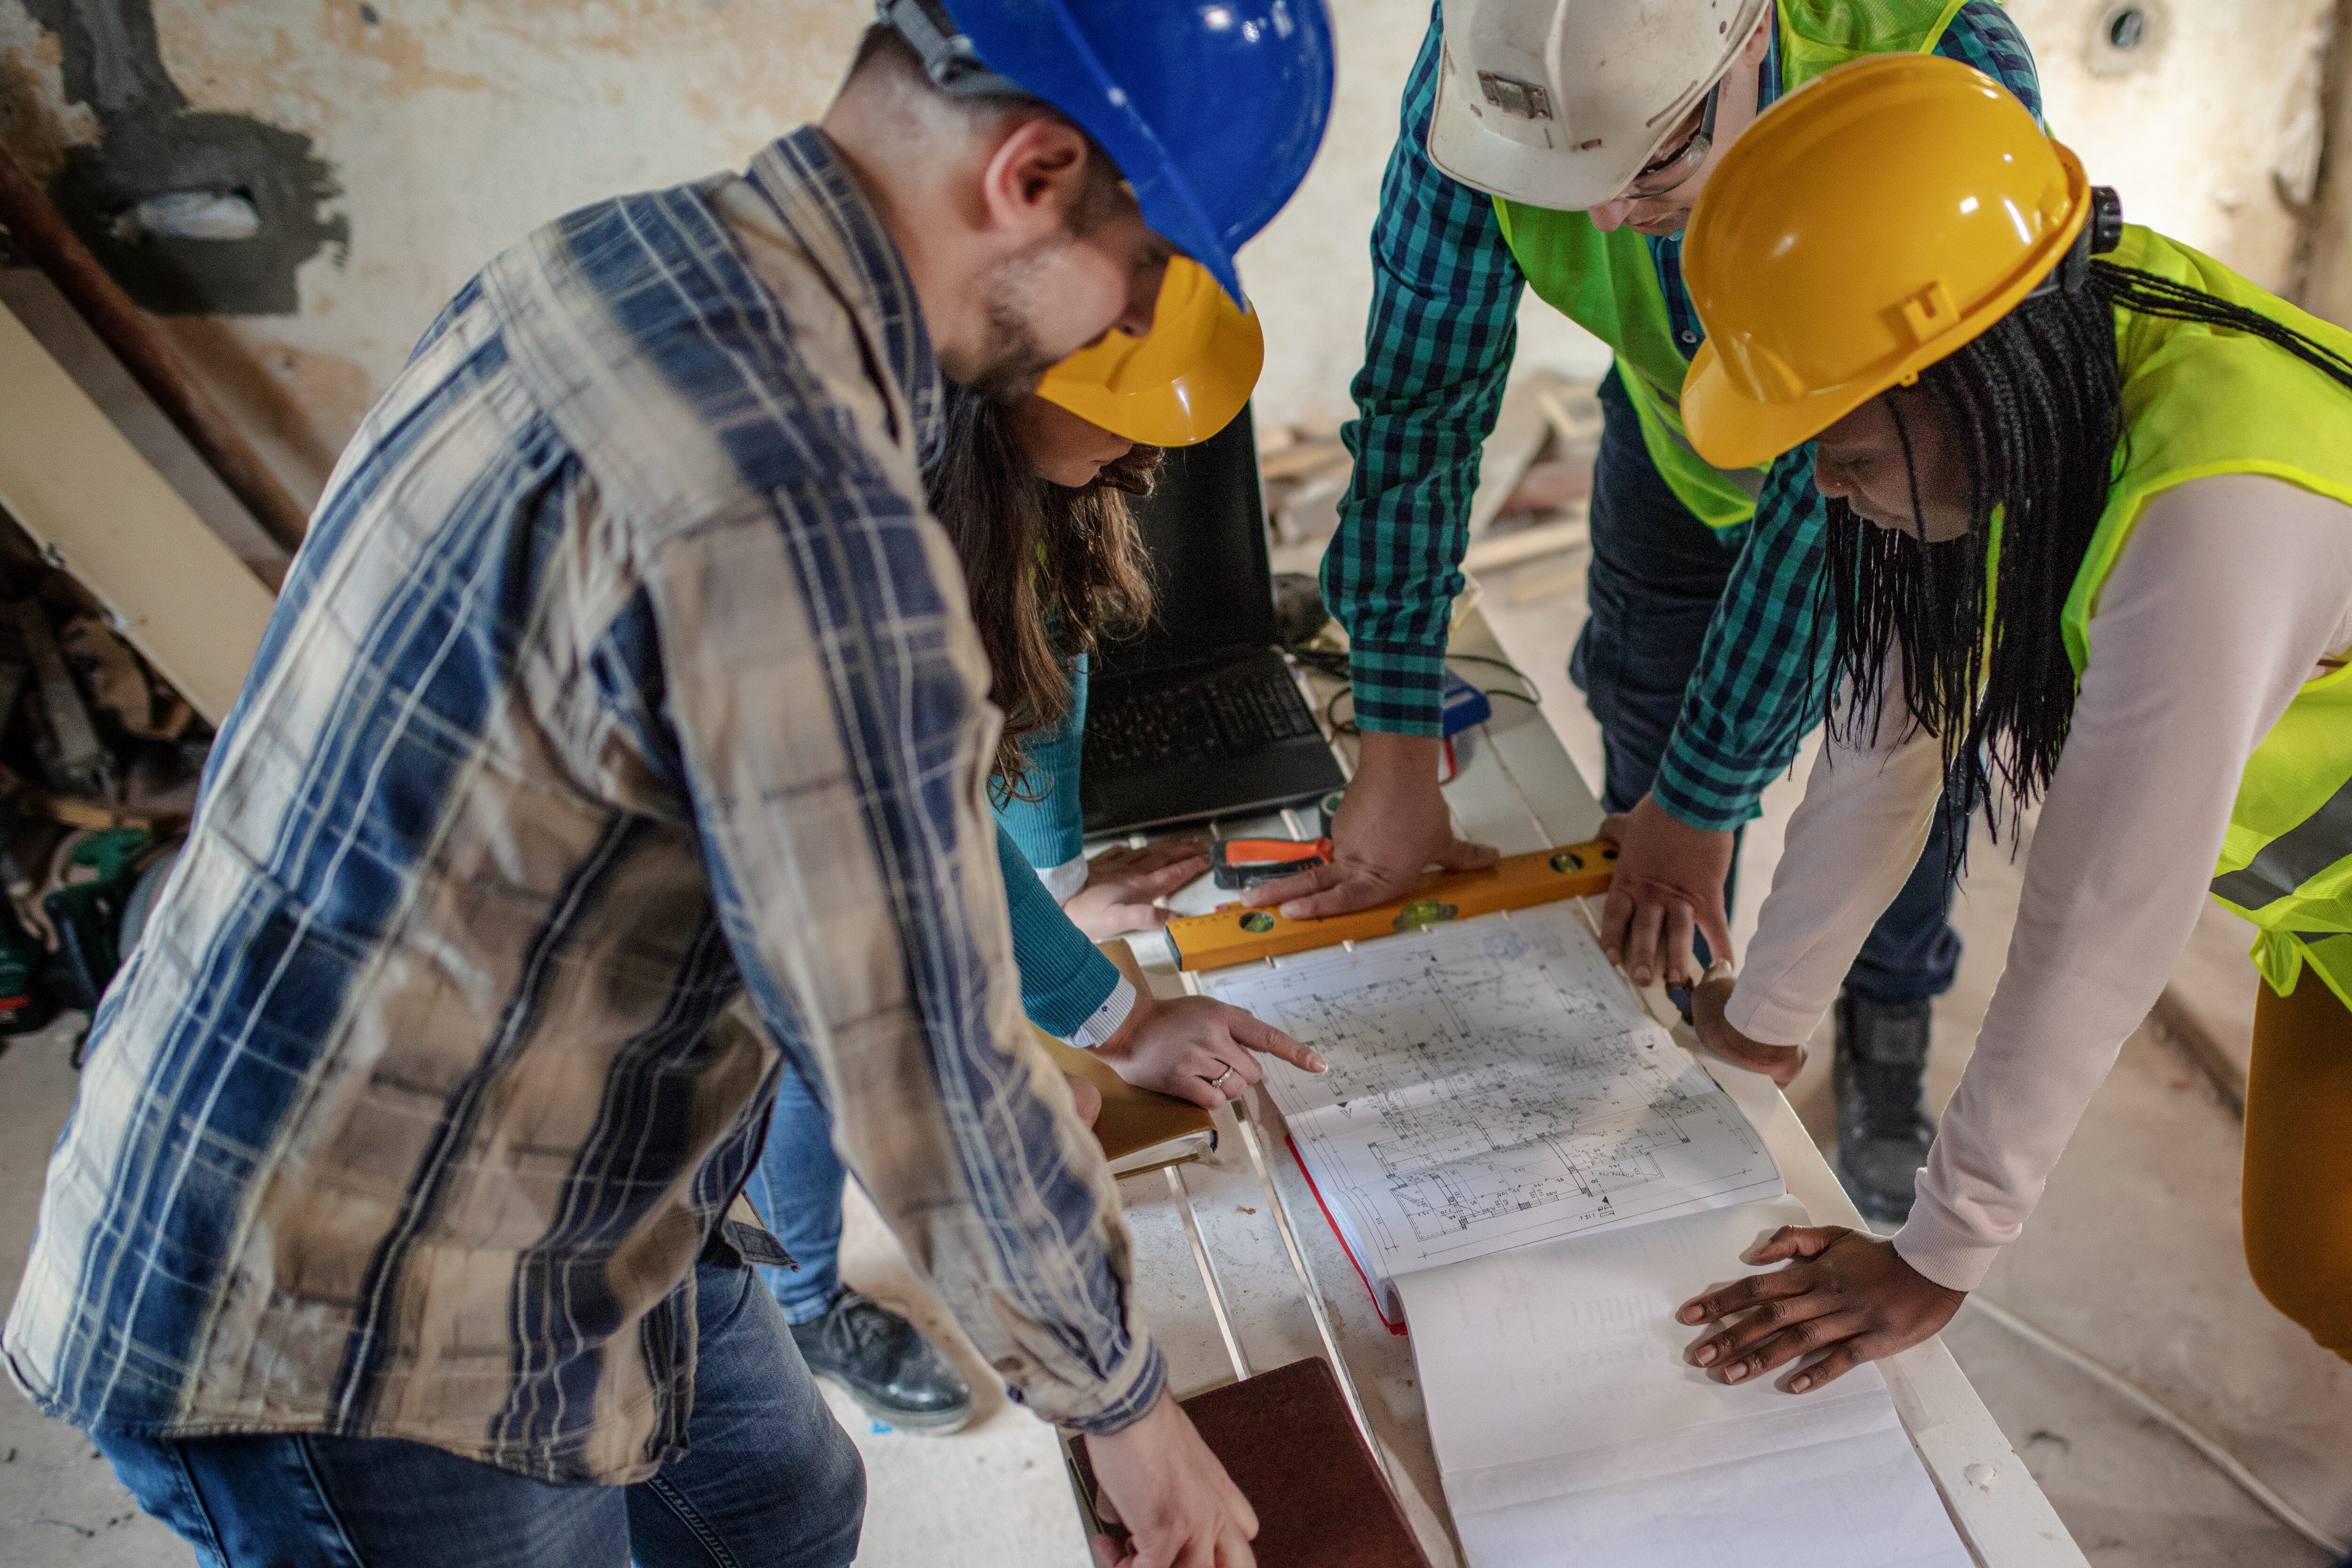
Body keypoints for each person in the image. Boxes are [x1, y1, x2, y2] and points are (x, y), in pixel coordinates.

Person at [0, 3, 1335, 1566]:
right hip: (345, 1306)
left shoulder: (620, 255)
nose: (1121, 326)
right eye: (1156, 273)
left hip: (577, 1175)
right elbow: (922, 1055)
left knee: (782, 1507)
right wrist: (1128, 1409)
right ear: (1033, 176)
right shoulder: (804, 498)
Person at [1254, 0, 2043, 1223]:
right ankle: (1664, 1011)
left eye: (1658, 153)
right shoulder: (1494, 75)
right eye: (1563, 178)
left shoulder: (1934, 69)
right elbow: (1422, 402)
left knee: (1903, 767)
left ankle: (1889, 1030)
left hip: (1901, 462)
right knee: (1647, 732)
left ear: (1752, 39)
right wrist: (1400, 735)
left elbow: (1830, 500)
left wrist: (1710, 792)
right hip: (1677, 436)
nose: (1611, 213)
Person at [1665, 55, 2352, 1396]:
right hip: (2329, 920)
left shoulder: (2218, 506)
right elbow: (1886, 741)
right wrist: (1766, 1016)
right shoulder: (2035, 364)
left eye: (1849, 454)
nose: (1828, 486)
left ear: (1965, 380)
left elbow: (2102, 903)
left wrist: (1940, 1249)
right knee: (2317, 1255)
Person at [749, 262, 1320, 1435]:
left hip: (861, 828)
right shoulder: (857, 529)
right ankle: (799, 1294)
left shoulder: (1033, 467)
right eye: (1121, 427)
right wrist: (1116, 1020)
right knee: (789, 1063)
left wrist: (1055, 887)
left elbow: (1039, 679)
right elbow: (911, 824)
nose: (1144, 465)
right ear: (1013, 372)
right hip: (737, 883)